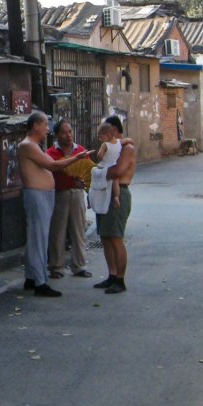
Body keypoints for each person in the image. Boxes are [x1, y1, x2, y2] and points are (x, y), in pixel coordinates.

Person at [17, 111, 89, 297]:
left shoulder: (34, 145)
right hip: (37, 195)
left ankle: (32, 277)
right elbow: (53, 165)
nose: (47, 130)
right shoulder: (28, 145)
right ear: (36, 126)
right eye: (45, 125)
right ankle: (40, 282)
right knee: (40, 239)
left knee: (37, 238)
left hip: (43, 194)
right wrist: (77, 158)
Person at [93, 115, 135, 294]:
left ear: (115, 131)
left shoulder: (127, 148)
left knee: (116, 237)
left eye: (107, 133)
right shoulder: (112, 147)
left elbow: (117, 171)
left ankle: (120, 278)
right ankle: (112, 274)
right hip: (104, 191)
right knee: (106, 236)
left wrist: (97, 172)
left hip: (119, 192)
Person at [46, 120, 93, 280]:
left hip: (77, 193)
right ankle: (56, 266)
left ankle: (79, 265)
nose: (68, 135)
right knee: (57, 231)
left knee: (78, 230)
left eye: (70, 131)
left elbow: (88, 173)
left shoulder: (80, 151)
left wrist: (85, 183)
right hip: (59, 194)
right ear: (57, 135)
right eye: (64, 132)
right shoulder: (51, 153)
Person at [87, 122, 122, 214]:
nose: (100, 139)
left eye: (101, 136)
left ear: (108, 135)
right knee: (115, 182)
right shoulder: (119, 142)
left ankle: (90, 201)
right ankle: (116, 197)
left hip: (103, 167)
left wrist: (99, 153)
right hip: (113, 167)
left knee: (93, 183)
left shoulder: (105, 144)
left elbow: (100, 156)